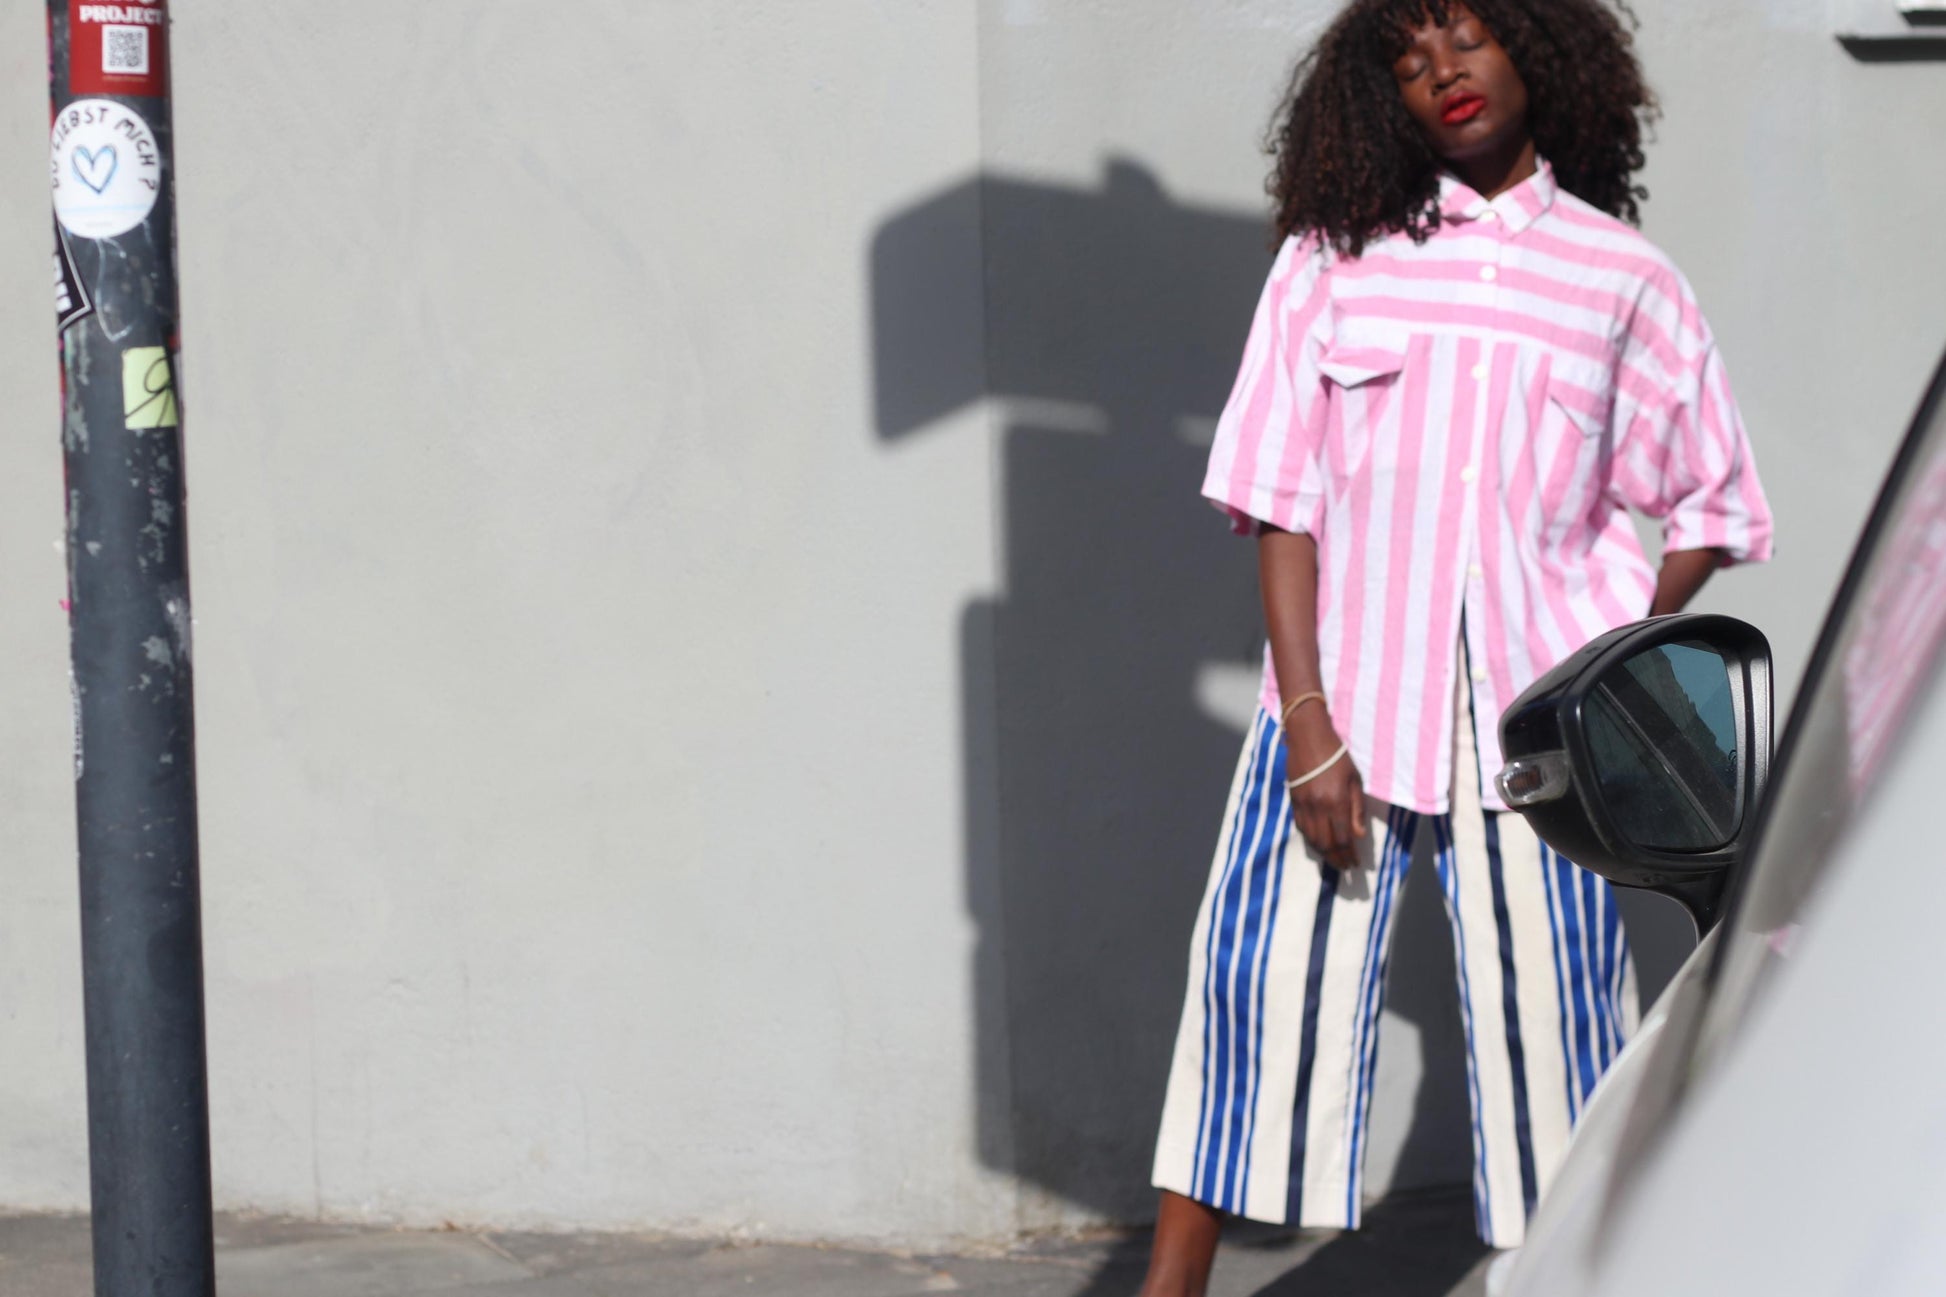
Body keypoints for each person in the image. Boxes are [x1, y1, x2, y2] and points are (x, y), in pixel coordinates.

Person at [1140, 2, 1773, 1292]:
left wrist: (1616, 662)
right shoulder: (1334, 258)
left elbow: (1712, 500)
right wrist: (1309, 719)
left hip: (1538, 733)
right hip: (1347, 702)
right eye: (1411, 63)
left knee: (1559, 1038)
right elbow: (1279, 495)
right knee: (1257, 997)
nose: (1444, 75)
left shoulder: (1622, 279)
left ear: (1534, 52)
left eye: (1467, 42)